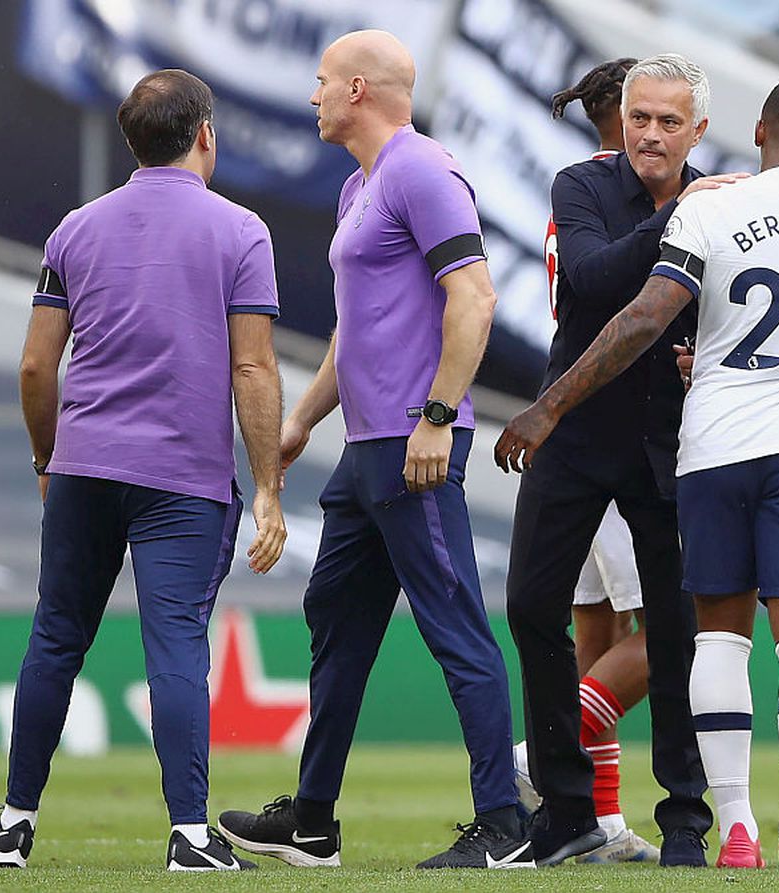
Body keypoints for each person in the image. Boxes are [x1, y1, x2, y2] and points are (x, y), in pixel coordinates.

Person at [496, 75, 779, 871]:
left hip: (711, 444)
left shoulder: (715, 207)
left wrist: (549, 404)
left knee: (714, 633)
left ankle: (735, 827)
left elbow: (647, 313)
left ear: (752, 133)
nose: (647, 132)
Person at [216, 30, 531, 871]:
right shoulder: (362, 186)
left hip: (411, 444)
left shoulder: (423, 170)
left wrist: (436, 415)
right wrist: (304, 420)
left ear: (358, 89)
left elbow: (475, 297)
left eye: (322, 82)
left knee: (457, 626)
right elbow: (355, 333)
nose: (313, 95)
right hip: (366, 449)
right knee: (337, 620)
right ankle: (313, 820)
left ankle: (505, 826)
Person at [0, 69, 287, 872]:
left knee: (55, 638)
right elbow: (253, 371)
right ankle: (189, 836)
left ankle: (12, 823)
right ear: (205, 134)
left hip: (83, 468)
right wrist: (271, 486)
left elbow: (37, 368)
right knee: (175, 645)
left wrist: (48, 456)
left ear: (131, 142)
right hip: (182, 478)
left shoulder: (75, 229)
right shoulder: (241, 230)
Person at [497, 54, 739, 868]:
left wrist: (703, 352)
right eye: (641, 117)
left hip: (673, 442)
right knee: (532, 604)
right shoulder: (581, 184)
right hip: (575, 429)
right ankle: (568, 810)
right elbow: (594, 283)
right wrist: (676, 224)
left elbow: (730, 316)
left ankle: (683, 822)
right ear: (623, 118)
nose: (651, 134)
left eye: (671, 121)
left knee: (675, 631)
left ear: (698, 130)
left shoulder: (726, 205)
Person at [512, 57, 659, 866]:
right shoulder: (617, 195)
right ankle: (551, 742)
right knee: (669, 633)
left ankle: (597, 824)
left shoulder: (581, 198)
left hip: (577, 423)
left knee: (594, 626)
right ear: (632, 114)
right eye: (651, 112)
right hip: (615, 427)